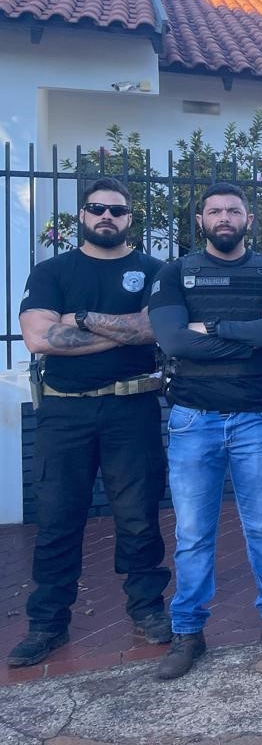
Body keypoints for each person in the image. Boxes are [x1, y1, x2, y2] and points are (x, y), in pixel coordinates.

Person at [149, 183, 262, 680]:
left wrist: (213, 328)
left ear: (249, 219)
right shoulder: (175, 274)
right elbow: (175, 341)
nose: (224, 217)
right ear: (200, 220)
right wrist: (252, 332)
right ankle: (188, 631)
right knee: (193, 533)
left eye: (233, 210)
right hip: (193, 419)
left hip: (258, 418)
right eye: (215, 211)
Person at [8, 179, 170, 669]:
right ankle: (47, 623)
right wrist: (122, 330)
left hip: (133, 409)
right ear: (82, 215)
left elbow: (154, 328)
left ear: (129, 218)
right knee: (57, 519)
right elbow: (39, 338)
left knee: (139, 517)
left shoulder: (153, 270)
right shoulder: (52, 271)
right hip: (65, 412)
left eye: (116, 210)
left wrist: (77, 320)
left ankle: (147, 609)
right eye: (97, 208)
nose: (107, 216)